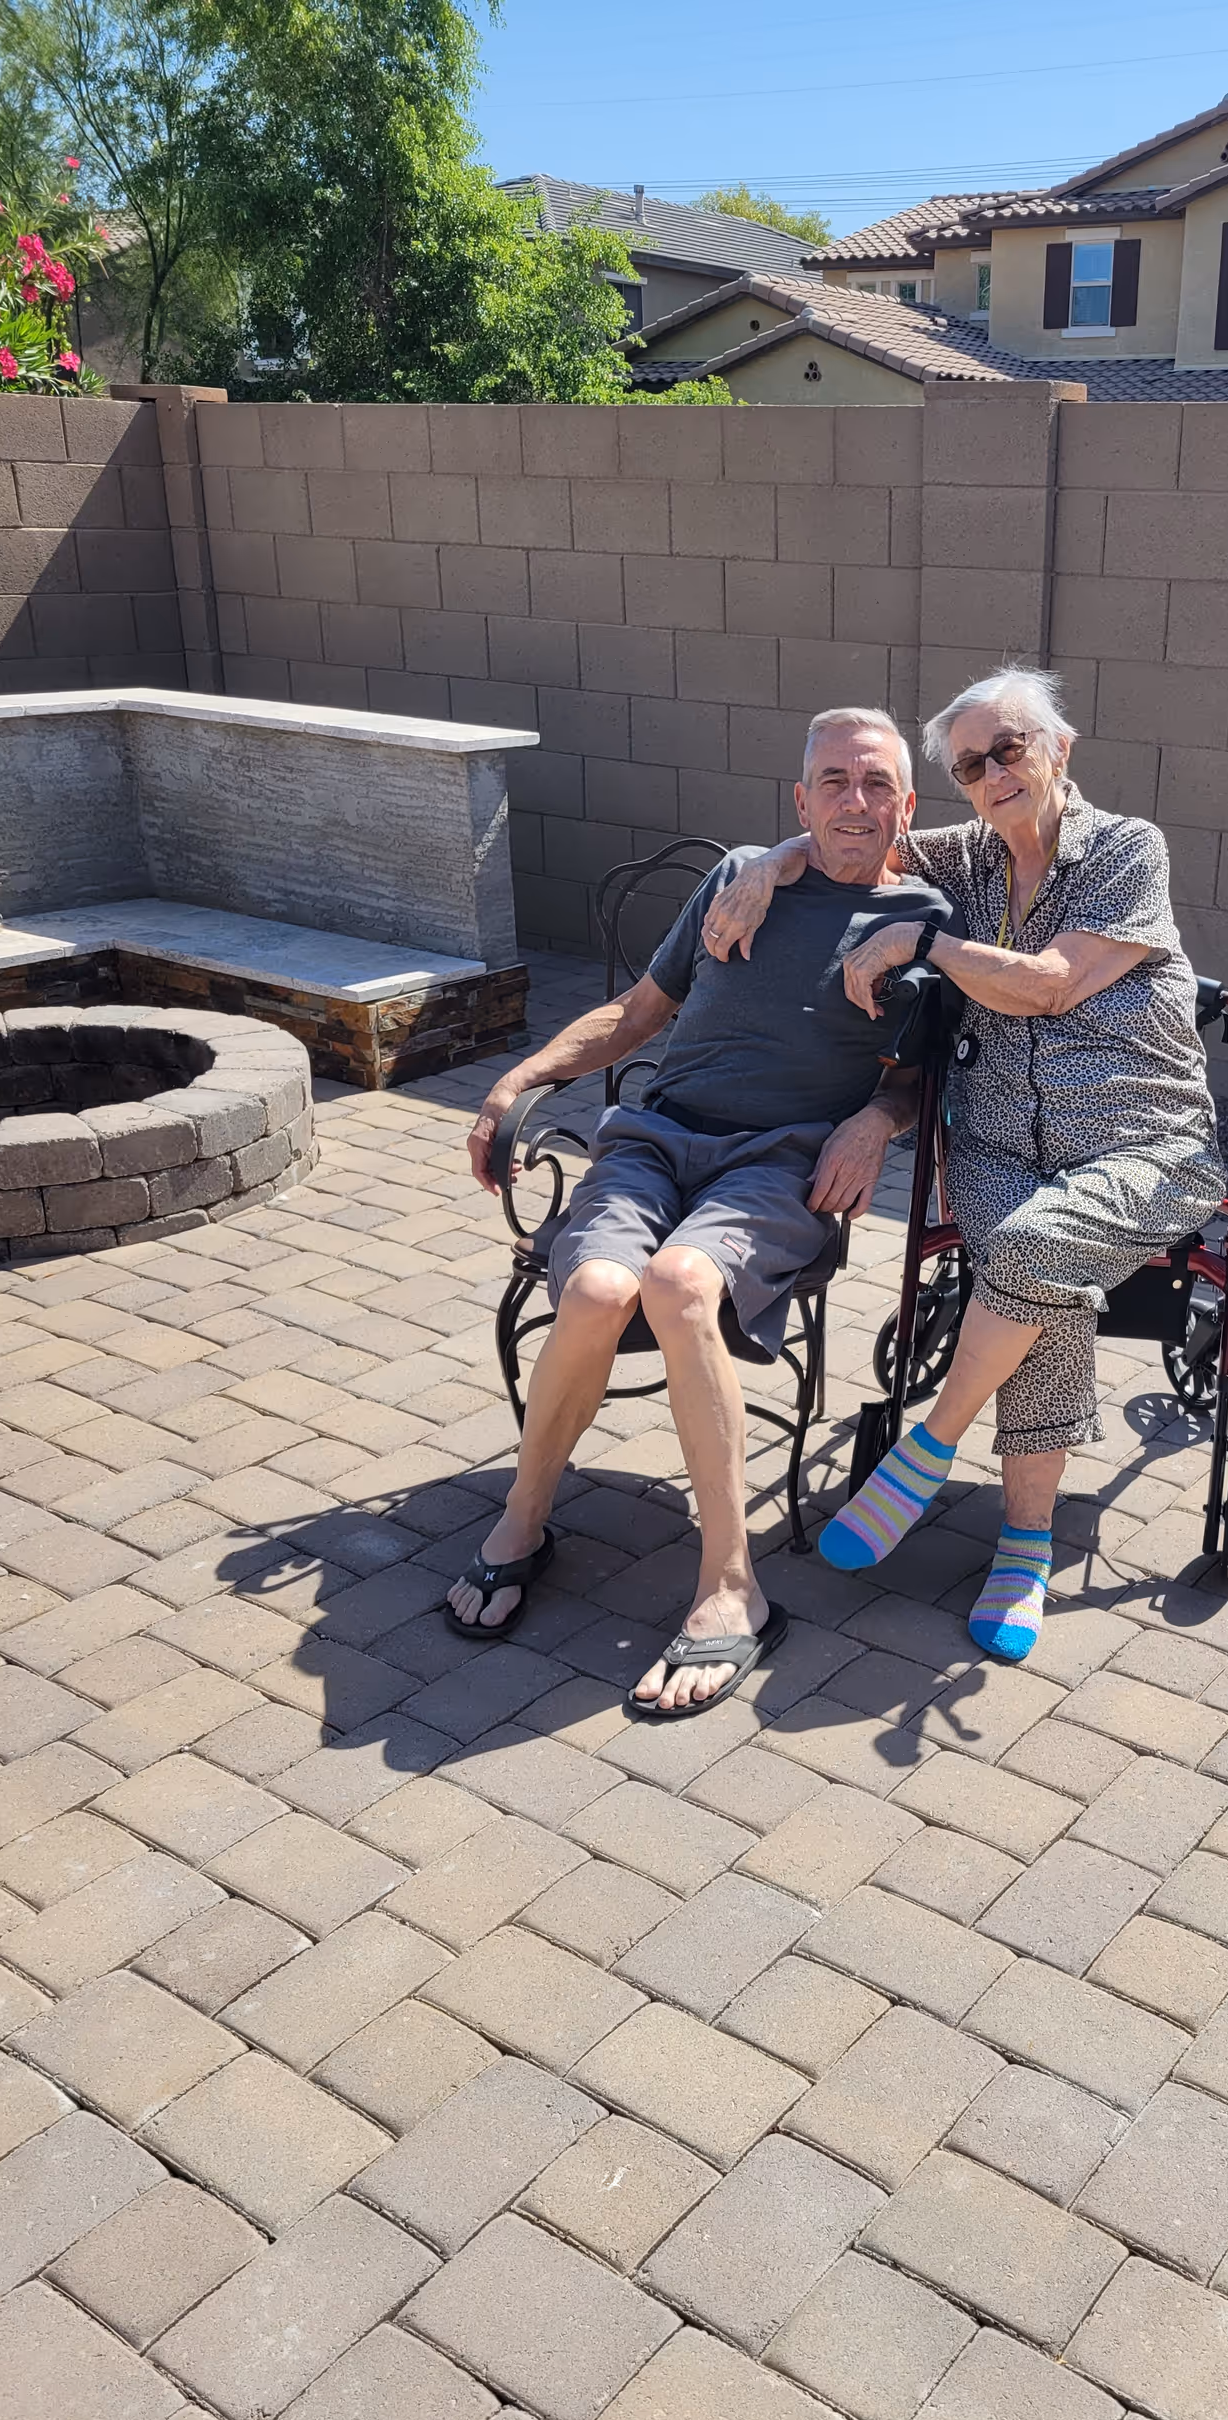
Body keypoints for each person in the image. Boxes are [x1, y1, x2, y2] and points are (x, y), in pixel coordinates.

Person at [701, 664, 1225, 1665]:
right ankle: (1021, 1547)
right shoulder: (965, 861)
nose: (992, 773)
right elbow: (849, 836)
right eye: (972, 763)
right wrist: (765, 865)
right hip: (992, 1143)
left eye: (1010, 749)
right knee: (1039, 1275)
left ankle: (931, 1451)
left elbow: (1052, 985)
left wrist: (923, 937)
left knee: (1030, 1251)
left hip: (1146, 1144)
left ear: (1058, 751)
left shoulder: (1124, 850)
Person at [449, 708, 949, 1715]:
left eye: (878, 783)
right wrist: (519, 1080)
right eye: (834, 783)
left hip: (781, 1165)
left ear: (908, 804)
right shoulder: (736, 882)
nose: (857, 801)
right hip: (655, 1139)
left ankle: (731, 1586)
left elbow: (933, 1073)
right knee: (595, 1289)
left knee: (680, 1281)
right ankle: (524, 1518)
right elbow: (639, 1013)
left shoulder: (931, 922)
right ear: (800, 799)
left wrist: (876, 1120)